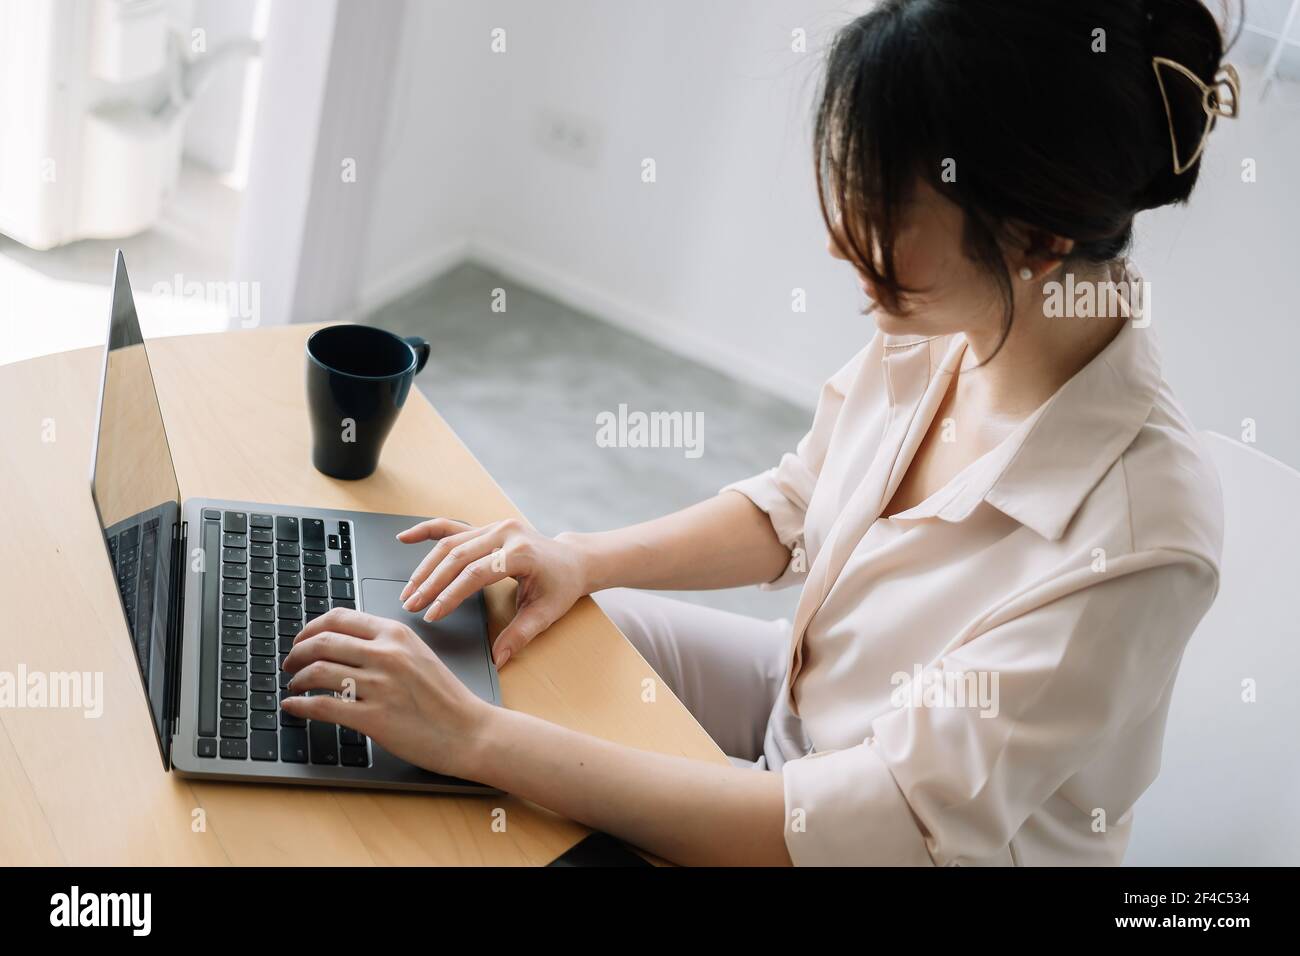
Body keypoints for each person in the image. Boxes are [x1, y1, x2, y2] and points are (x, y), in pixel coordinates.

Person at [281, 0, 1236, 866]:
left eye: (887, 205)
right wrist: (578, 557)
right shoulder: (956, 322)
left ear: (1036, 240)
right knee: (518, 634)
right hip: (800, 711)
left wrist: (480, 743)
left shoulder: (1138, 540)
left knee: (492, 768)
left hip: (885, 842)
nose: (838, 240)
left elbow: (874, 822)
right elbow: (796, 506)